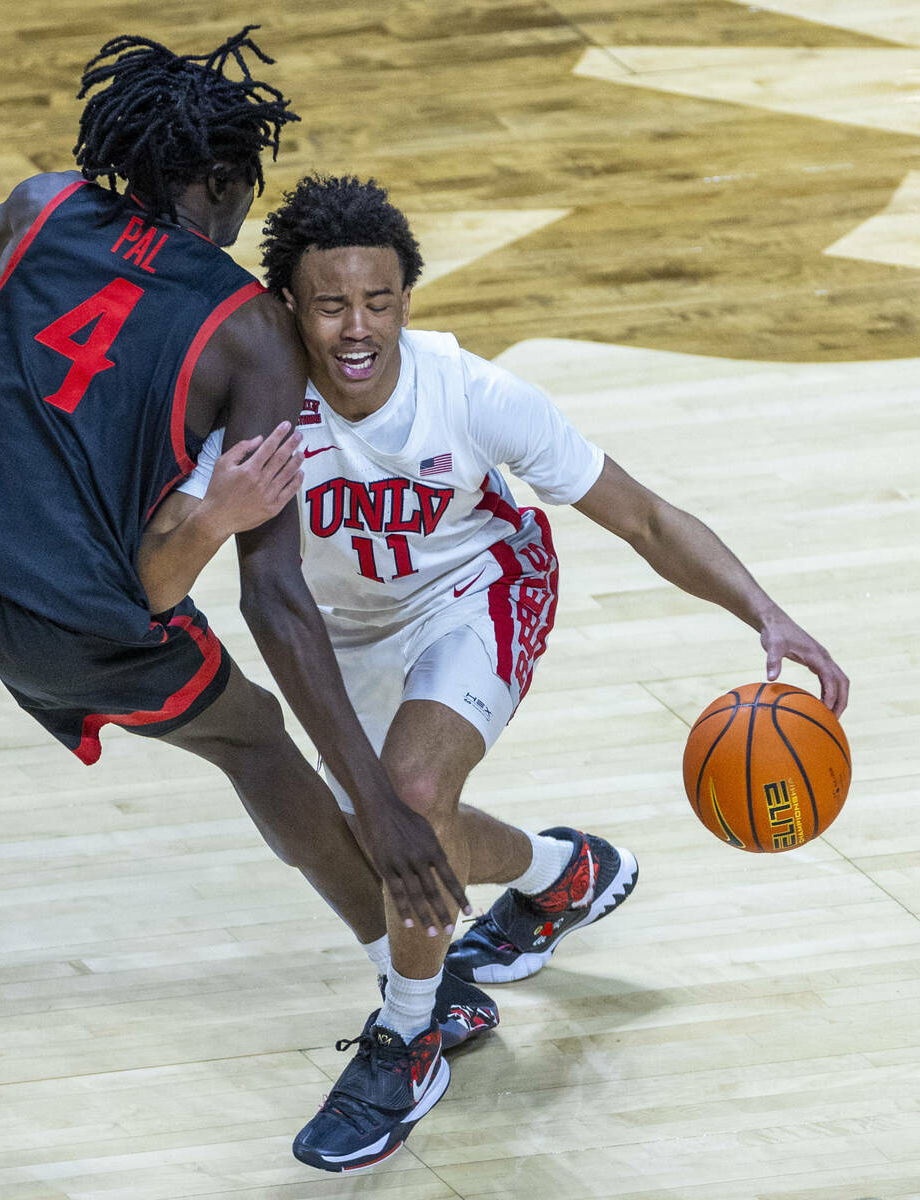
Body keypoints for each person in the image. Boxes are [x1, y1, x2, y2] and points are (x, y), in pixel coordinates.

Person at [141, 173, 849, 1171]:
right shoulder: (255, 414)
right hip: (339, 635)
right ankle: (564, 876)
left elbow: (641, 515)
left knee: (412, 796)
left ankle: (407, 1036)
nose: (357, 328)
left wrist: (764, 612)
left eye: (378, 302)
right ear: (289, 306)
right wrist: (215, 513)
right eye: (332, 303)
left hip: (476, 591)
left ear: (406, 302)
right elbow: (159, 587)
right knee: (389, 834)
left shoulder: (467, 393)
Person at [0, 34, 477, 999]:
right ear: (222, 180)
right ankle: (410, 985)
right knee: (249, 737)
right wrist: (375, 801)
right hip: (78, 622)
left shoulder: (43, 208)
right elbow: (274, 594)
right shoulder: (253, 331)